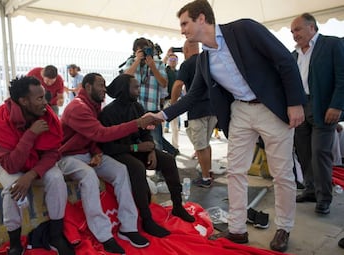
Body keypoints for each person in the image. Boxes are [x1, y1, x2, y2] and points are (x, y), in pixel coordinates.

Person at [145, 0, 306, 252]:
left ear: (201, 19)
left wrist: (295, 102)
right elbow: (194, 95)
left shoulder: (244, 30)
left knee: (281, 173)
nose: (182, 30)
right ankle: (238, 230)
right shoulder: (203, 60)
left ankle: (284, 227)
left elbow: (285, 59)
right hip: (240, 111)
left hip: (271, 108)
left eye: (185, 23)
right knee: (235, 171)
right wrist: (162, 115)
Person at [58, 73, 156, 254]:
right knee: (89, 176)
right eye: (101, 85)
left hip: (88, 154)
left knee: (120, 170)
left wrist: (95, 152)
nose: (105, 89)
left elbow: (92, 138)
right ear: (87, 87)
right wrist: (137, 123)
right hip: (67, 158)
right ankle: (104, 234)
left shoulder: (94, 106)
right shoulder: (77, 107)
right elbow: (101, 134)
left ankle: (128, 227)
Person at [99, 74, 195, 236]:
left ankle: (178, 206)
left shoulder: (136, 107)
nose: (139, 90)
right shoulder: (108, 113)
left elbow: (145, 132)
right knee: (137, 168)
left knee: (168, 159)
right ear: (124, 90)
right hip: (119, 153)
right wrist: (137, 147)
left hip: (138, 150)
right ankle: (147, 219)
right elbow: (109, 147)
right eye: (135, 87)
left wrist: (150, 149)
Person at [0, 76, 73, 255]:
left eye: (44, 96)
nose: (46, 102)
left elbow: (53, 153)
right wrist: (30, 135)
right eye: (40, 98)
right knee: (13, 188)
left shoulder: (48, 116)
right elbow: (11, 165)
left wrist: (32, 174)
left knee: (57, 178)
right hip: (9, 164)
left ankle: (56, 236)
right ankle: (14, 243)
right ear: (24, 101)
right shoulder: (0, 120)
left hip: (37, 165)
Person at [291, 13, 344, 215]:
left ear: (312, 27)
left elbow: (342, 76)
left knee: (320, 153)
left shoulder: (331, 44)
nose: (294, 35)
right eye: (292, 31)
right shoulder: (294, 54)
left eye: (298, 29)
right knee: (303, 151)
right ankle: (311, 190)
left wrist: (337, 105)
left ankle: (324, 197)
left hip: (324, 106)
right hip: (300, 106)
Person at [170, 40, 217, 188]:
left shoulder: (187, 64)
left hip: (197, 110)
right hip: (213, 108)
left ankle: (205, 178)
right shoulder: (209, 60)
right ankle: (208, 172)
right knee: (206, 143)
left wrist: (173, 104)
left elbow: (178, 85)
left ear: (186, 49)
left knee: (200, 146)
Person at [123, 38, 178, 156]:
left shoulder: (158, 63)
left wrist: (152, 66)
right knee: (134, 141)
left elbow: (164, 83)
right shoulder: (131, 62)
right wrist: (137, 61)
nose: (143, 53)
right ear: (135, 51)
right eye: (140, 51)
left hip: (152, 110)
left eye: (146, 50)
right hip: (133, 110)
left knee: (157, 142)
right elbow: (124, 79)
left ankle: (160, 171)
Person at [162, 51, 180, 149]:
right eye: (171, 59)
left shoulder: (179, 73)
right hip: (165, 100)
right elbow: (160, 65)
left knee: (175, 126)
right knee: (162, 124)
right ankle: (161, 144)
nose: (173, 61)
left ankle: (175, 146)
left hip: (175, 101)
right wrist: (167, 55)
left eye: (175, 60)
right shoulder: (165, 70)